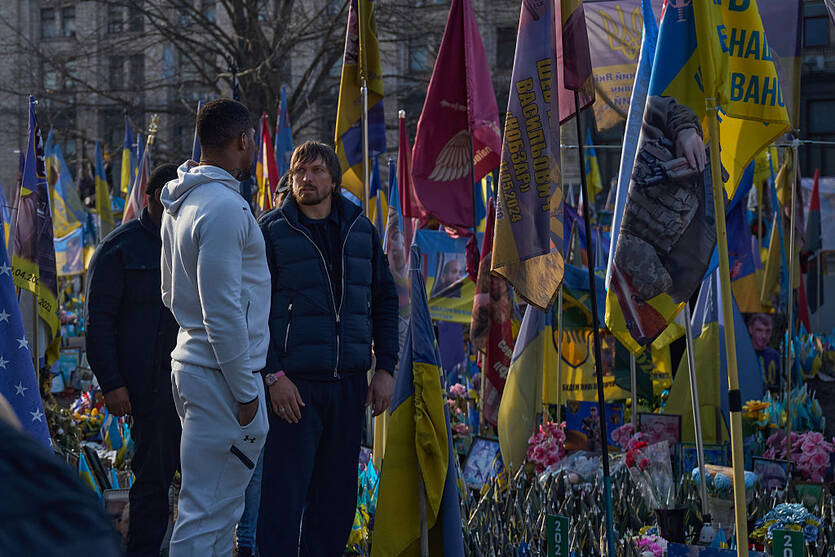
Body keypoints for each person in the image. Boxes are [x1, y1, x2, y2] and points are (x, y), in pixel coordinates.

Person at [257, 141, 398, 556]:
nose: (306, 178)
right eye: (299, 171)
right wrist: (273, 374)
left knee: (336, 503)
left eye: (317, 170)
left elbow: (386, 300)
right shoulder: (272, 231)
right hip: (293, 390)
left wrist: (386, 367)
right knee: (282, 502)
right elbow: (251, 311)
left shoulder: (360, 228)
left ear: (334, 180)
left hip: (350, 386)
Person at [160, 98, 270, 557]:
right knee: (206, 515)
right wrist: (245, 391)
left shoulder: (182, 201)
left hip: (199, 366)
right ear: (243, 141)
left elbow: (170, 294)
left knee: (214, 514)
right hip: (222, 377)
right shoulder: (222, 207)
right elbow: (222, 310)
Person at [86, 163, 181, 557]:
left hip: (196, 387)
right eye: (166, 199)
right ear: (149, 197)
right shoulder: (118, 248)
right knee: (152, 485)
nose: (173, 207)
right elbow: (99, 324)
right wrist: (112, 384)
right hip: (147, 392)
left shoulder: (193, 241)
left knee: (201, 487)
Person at [235, 170, 293, 557]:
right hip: (261, 375)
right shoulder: (264, 233)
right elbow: (247, 312)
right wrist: (270, 373)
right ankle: (247, 544)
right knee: (251, 473)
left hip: (302, 378)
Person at [748, 313, 780, 391]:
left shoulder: (774, 355)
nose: (764, 336)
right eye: (759, 330)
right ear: (751, 329)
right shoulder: (743, 355)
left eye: (768, 331)